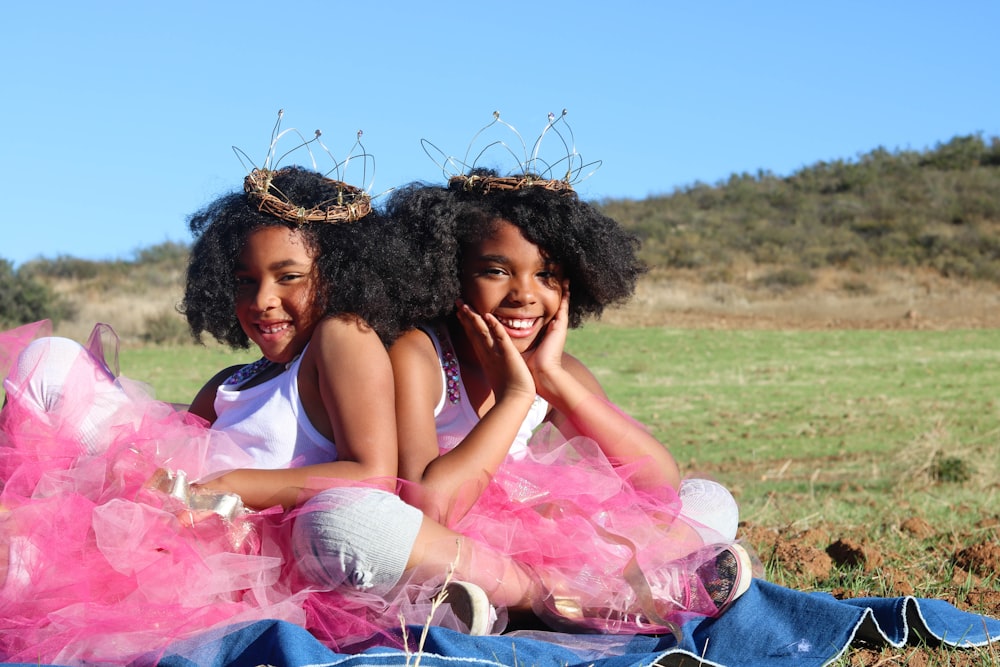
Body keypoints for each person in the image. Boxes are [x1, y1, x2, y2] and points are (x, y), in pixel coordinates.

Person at [0, 162, 490, 663]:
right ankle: (20, 517)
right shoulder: (229, 382)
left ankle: (418, 601)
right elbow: (163, 447)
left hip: (244, 552)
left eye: (289, 278)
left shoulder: (340, 336)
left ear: (343, 275)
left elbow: (373, 475)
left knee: (29, 573)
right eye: (244, 281)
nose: (263, 301)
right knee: (50, 358)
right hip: (167, 519)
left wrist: (227, 484)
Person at [379, 159, 754, 635]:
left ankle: (610, 593)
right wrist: (516, 398)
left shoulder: (555, 368)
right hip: (458, 537)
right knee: (382, 535)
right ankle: (577, 599)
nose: (525, 294)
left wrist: (552, 379)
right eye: (497, 271)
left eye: (547, 274)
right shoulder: (418, 353)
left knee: (709, 500)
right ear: (448, 272)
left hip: (544, 531)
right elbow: (430, 505)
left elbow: (657, 481)